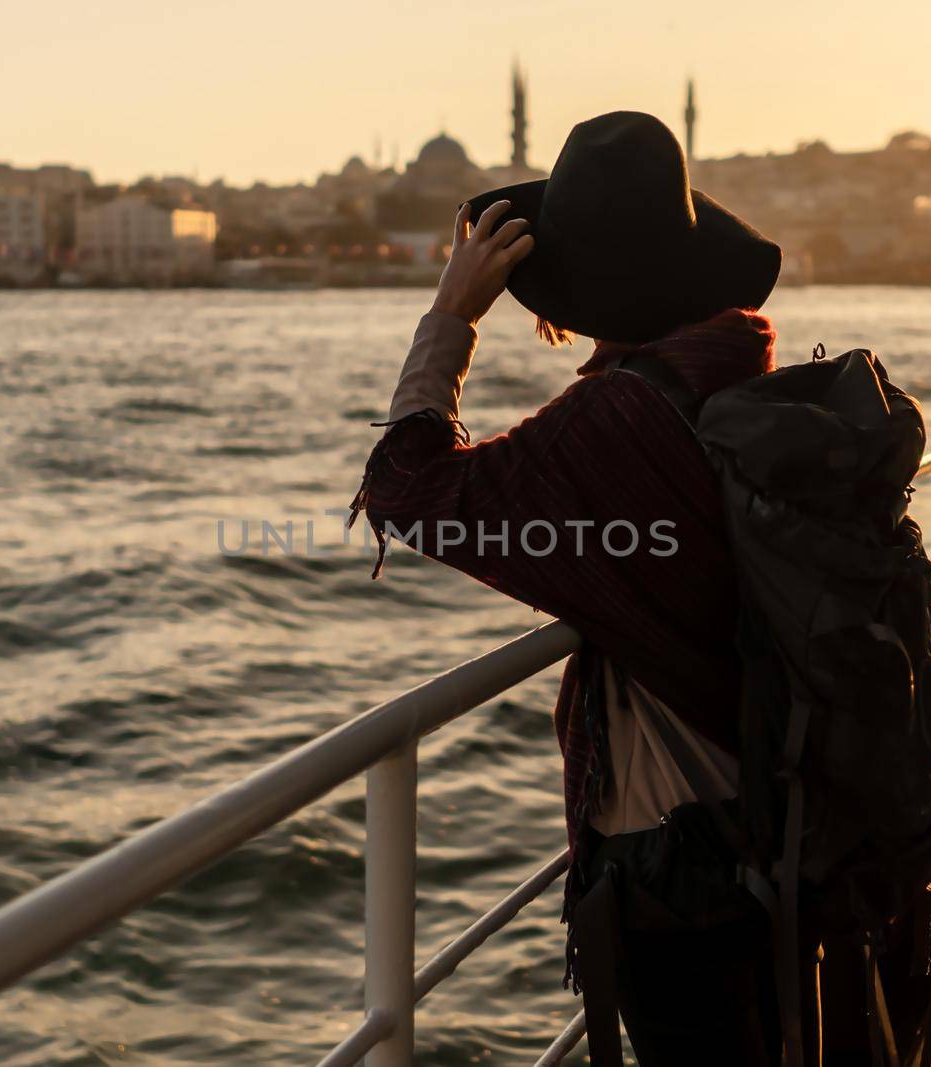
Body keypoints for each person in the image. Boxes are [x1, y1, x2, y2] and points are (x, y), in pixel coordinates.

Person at [348, 111, 825, 1065]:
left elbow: (410, 487)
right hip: (777, 812)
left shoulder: (624, 419)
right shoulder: (730, 378)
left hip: (680, 853)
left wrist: (450, 321)